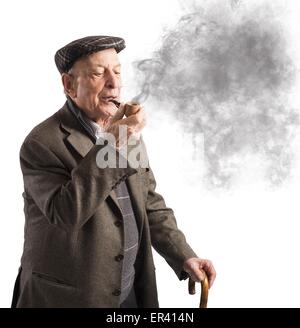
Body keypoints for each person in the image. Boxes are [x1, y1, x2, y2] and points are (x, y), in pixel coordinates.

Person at [11, 35, 216, 308]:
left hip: (128, 293)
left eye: (118, 72)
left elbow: (148, 201)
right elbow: (67, 213)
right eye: (99, 73)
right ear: (69, 85)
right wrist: (113, 143)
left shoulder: (124, 131)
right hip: (69, 298)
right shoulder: (42, 143)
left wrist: (183, 256)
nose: (114, 83)